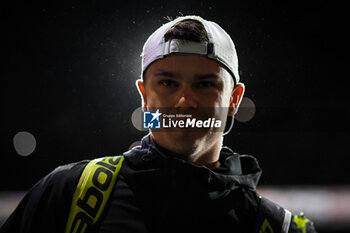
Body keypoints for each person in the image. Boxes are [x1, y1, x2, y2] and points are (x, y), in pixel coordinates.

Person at [0, 15, 317, 233]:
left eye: (205, 85)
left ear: (234, 98)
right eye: (167, 83)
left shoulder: (276, 226)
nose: (184, 102)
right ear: (144, 96)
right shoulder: (69, 192)